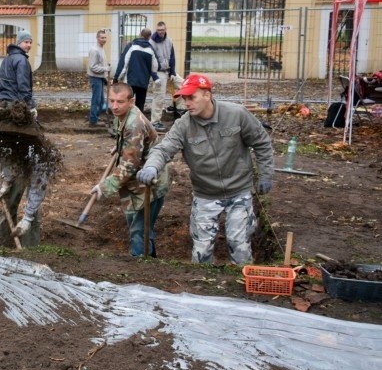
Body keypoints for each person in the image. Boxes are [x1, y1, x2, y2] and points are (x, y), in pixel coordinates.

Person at [136, 74, 274, 265]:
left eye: (191, 97)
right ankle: (202, 288)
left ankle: (242, 286)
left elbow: (262, 142)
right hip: (206, 194)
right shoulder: (183, 125)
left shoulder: (236, 114)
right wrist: (151, 166)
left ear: (207, 95)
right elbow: (163, 149)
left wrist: (266, 175)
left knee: (239, 244)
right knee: (201, 251)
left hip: (239, 191)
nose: (186, 103)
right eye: (184, 98)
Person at [90, 83, 170, 257]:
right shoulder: (123, 116)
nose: (114, 106)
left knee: (139, 230)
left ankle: (141, 269)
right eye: (111, 101)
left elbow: (129, 165)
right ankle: (149, 261)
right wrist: (120, 148)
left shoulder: (134, 124)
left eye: (120, 102)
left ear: (131, 101)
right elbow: (132, 145)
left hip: (150, 183)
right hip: (137, 182)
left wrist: (104, 187)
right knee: (139, 225)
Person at [0, 30, 56, 247]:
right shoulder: (21, 62)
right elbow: (23, 87)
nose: (29, 45)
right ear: (20, 43)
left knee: (22, 188)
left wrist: (27, 217)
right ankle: (19, 243)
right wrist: (30, 106)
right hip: (18, 109)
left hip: (8, 111)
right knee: (17, 186)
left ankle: (13, 242)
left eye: (31, 41)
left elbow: (39, 178)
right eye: (27, 41)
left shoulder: (8, 59)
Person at [114, 28, 160, 115]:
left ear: (140, 34)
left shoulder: (132, 46)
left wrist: (117, 78)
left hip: (131, 81)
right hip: (143, 83)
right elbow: (156, 67)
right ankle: (138, 126)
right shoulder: (151, 50)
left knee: (126, 103)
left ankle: (125, 124)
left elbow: (123, 63)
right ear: (149, 37)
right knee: (140, 106)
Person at [149, 21, 185, 132]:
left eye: (162, 30)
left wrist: (173, 72)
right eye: (158, 30)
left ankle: (179, 108)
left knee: (184, 85)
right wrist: (155, 75)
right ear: (156, 29)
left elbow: (172, 57)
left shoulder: (169, 40)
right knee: (159, 97)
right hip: (159, 71)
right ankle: (155, 121)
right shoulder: (152, 42)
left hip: (169, 70)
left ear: (165, 29)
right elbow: (151, 60)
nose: (160, 32)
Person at [87, 29, 109, 126]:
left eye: (105, 37)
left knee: (101, 101)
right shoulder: (95, 50)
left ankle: (95, 117)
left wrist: (105, 76)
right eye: (102, 37)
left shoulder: (101, 48)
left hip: (100, 77)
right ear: (97, 38)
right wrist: (106, 69)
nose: (104, 39)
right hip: (95, 77)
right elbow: (93, 67)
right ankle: (93, 120)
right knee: (96, 100)